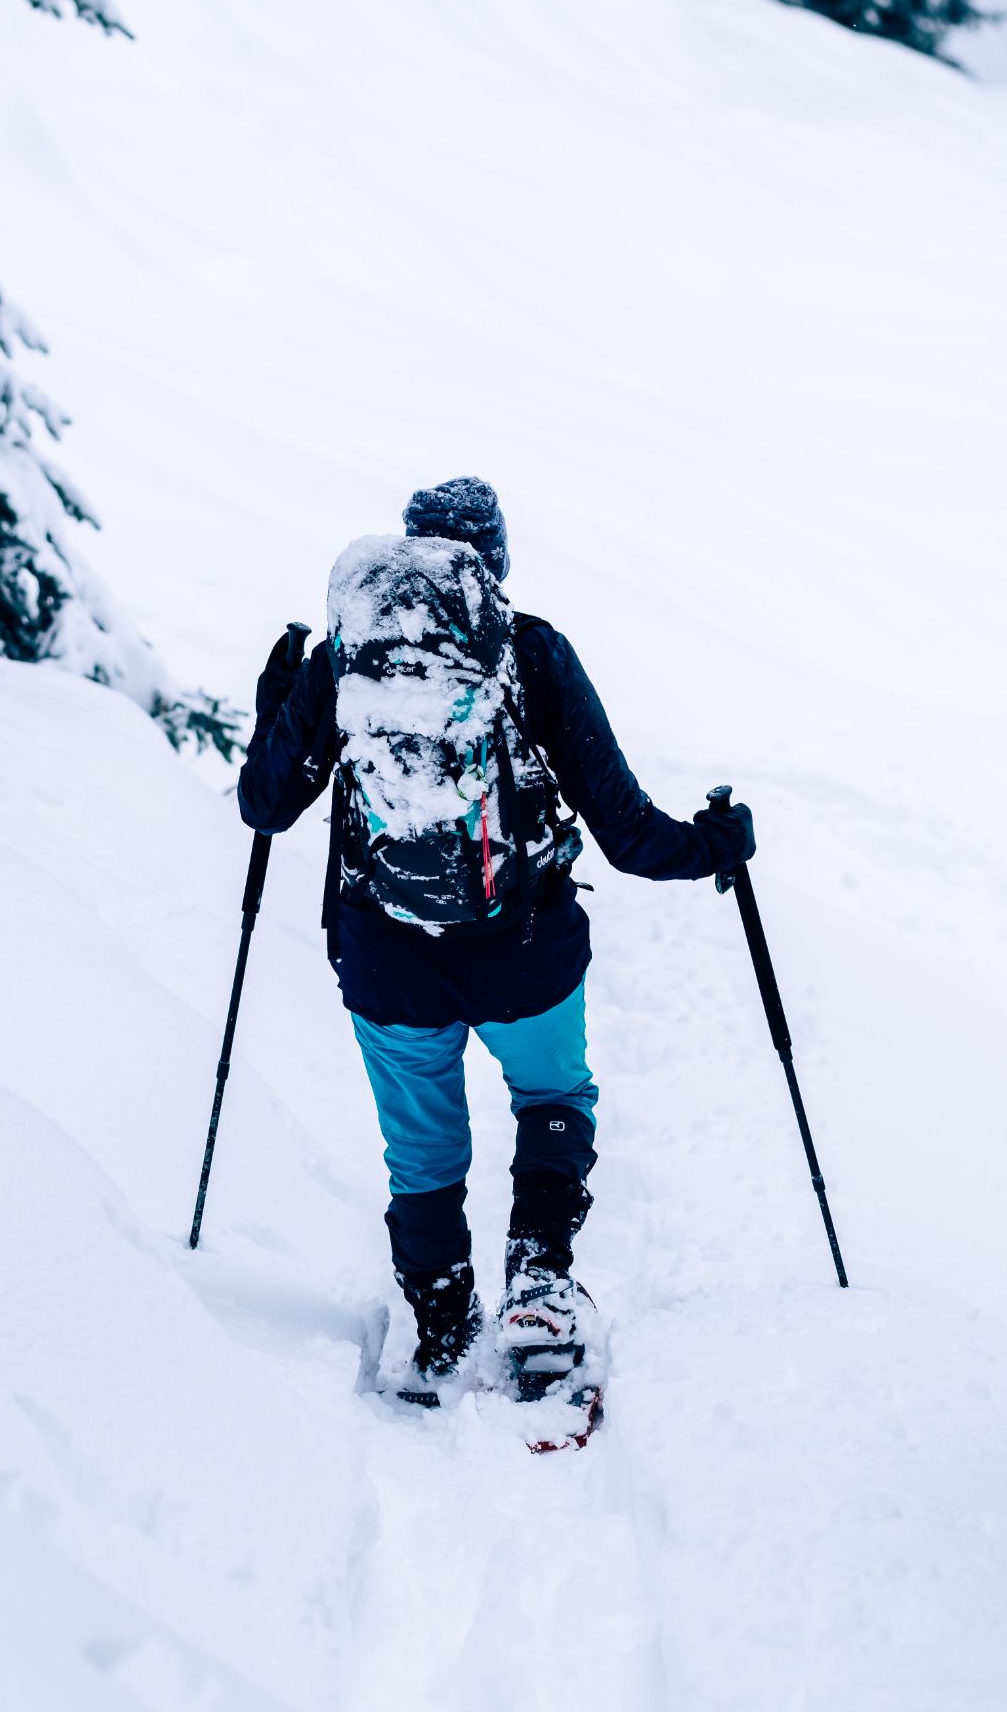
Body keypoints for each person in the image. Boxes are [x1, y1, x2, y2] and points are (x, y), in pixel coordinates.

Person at [238, 478, 754, 1405]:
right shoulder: (530, 651)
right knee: (552, 1095)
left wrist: (277, 702)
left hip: (388, 962)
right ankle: (539, 1283)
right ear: (496, 562)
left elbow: (265, 805)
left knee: (422, 1149)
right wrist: (715, 844)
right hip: (524, 954)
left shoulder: (343, 656)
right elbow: (629, 835)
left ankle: (441, 1322)